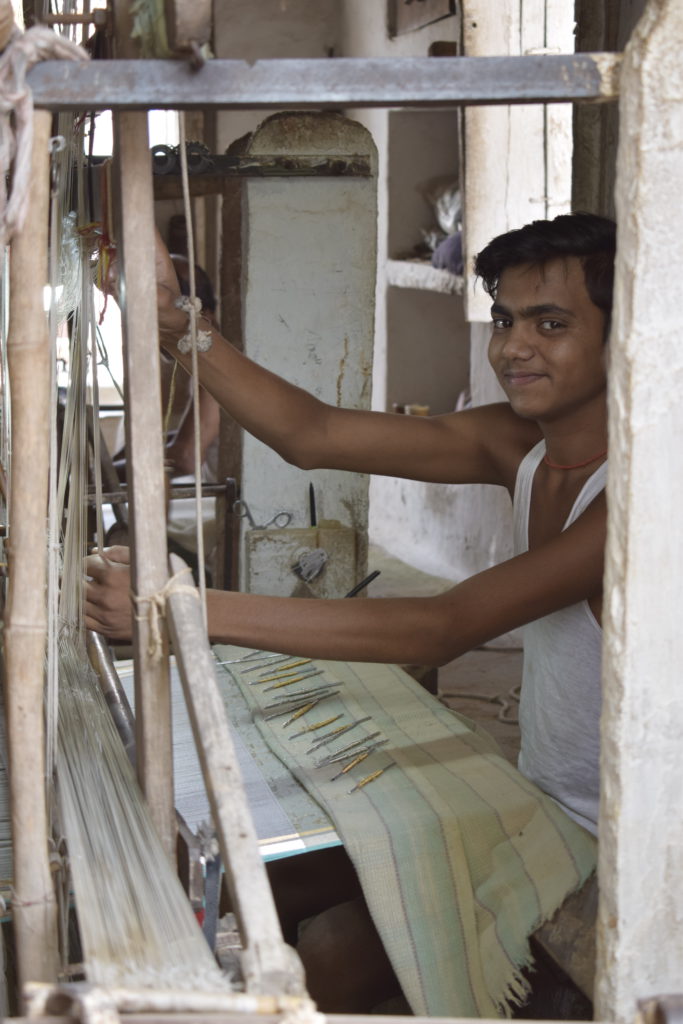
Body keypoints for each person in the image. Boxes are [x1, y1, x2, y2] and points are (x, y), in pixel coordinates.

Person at [86, 211, 613, 833]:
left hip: (631, 837)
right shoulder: (518, 443)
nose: (514, 346)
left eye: (551, 324)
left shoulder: (644, 495)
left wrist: (180, 610)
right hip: (550, 796)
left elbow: (443, 627)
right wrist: (178, 326)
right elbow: (313, 434)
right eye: (505, 321)